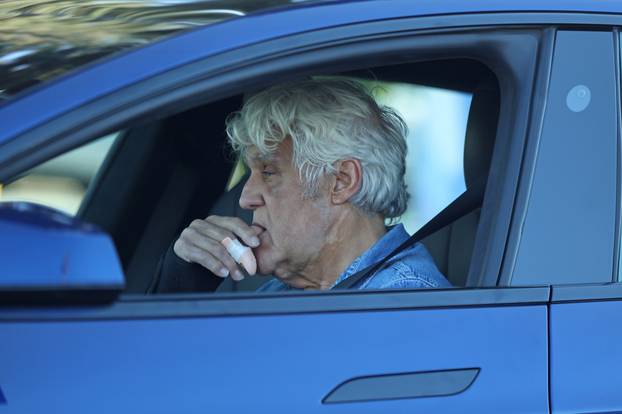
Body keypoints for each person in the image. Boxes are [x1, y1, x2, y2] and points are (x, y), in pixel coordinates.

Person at [157, 78, 450, 292]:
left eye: (269, 172)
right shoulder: (279, 293)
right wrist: (182, 280)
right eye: (251, 173)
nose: (245, 198)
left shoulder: (401, 303)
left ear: (341, 182)